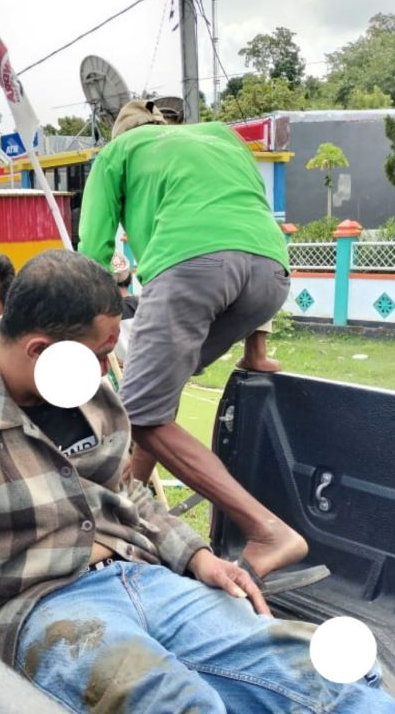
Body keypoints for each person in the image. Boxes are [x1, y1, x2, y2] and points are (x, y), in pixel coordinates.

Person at [0, 251, 395, 713]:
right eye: (97, 354)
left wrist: (196, 556)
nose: (105, 368)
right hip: (39, 607)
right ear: (39, 350)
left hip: (143, 576)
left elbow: (124, 493)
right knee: (180, 703)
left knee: (322, 673)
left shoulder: (90, 393)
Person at [78, 100, 305, 580]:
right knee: (157, 397)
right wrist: (255, 350)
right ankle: (123, 513)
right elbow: (249, 213)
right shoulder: (220, 136)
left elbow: (93, 251)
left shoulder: (117, 153)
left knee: (135, 413)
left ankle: (268, 530)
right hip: (272, 271)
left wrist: (85, 335)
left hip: (190, 265)